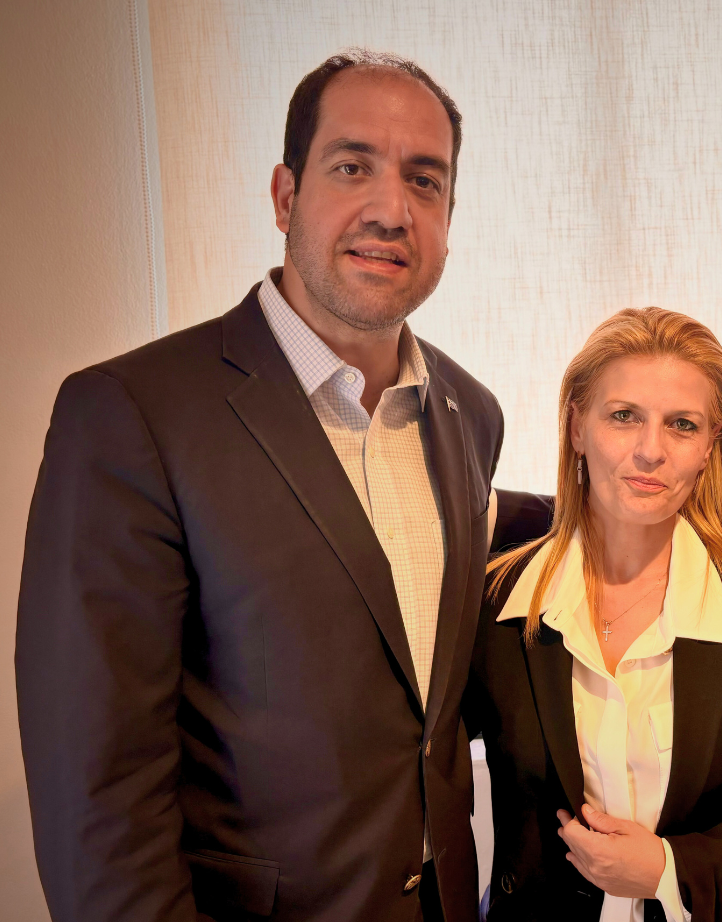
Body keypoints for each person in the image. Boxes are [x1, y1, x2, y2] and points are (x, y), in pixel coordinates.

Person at [16, 50, 528, 922]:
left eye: (424, 180)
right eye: (352, 166)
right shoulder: (132, 414)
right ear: (286, 197)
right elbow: (98, 794)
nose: (390, 210)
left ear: (449, 217)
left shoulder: (469, 413)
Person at [464, 308, 722, 922]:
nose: (651, 451)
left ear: (709, 447)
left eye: (681, 425)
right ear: (577, 427)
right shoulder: (494, 604)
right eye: (624, 416)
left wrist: (671, 870)